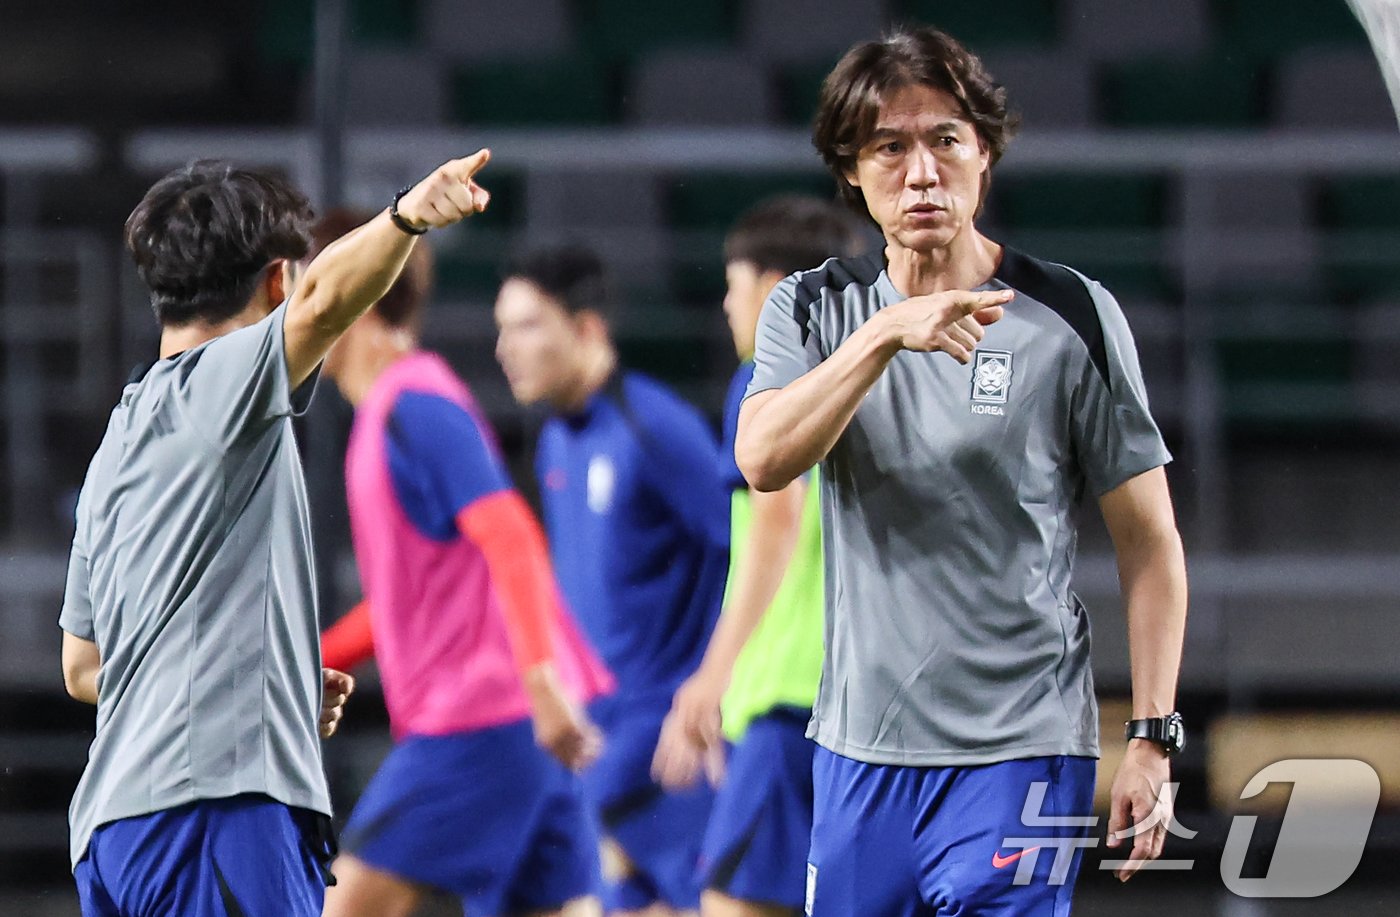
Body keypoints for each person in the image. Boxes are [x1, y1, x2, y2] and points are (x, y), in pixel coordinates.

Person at [735, 27, 1189, 916]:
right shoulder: (814, 308)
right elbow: (763, 459)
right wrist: (882, 335)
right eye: (888, 148)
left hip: (1021, 748)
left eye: (945, 139)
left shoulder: (1071, 315)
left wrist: (1152, 735)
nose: (922, 173)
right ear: (851, 169)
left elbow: (1150, 542)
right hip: (861, 752)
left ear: (985, 154)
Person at [59, 151, 492, 916]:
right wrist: (407, 216)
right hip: (212, 818)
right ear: (275, 281)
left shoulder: (116, 443)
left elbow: (82, 665)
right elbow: (324, 304)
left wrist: (264, 683)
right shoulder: (221, 385)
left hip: (113, 835)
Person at [308, 210, 615, 917]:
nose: (295, 311)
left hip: (481, 722)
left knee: (344, 907)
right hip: (516, 724)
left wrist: (541, 684)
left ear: (353, 291)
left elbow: (512, 536)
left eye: (309, 287)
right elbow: (409, 600)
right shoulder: (394, 407)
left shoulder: (414, 405)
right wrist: (314, 659)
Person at [494, 245, 730, 916]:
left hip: (663, 746)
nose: (506, 348)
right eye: (502, 328)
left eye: (527, 325)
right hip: (595, 737)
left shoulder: (654, 428)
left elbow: (748, 552)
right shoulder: (555, 439)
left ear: (588, 327)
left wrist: (711, 689)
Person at [651, 197, 863, 917]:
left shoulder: (766, 377)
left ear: (774, 289)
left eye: (733, 284)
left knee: (730, 904)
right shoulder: (863, 378)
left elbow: (776, 519)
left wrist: (711, 676)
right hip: (856, 705)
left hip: (784, 698)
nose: (725, 303)